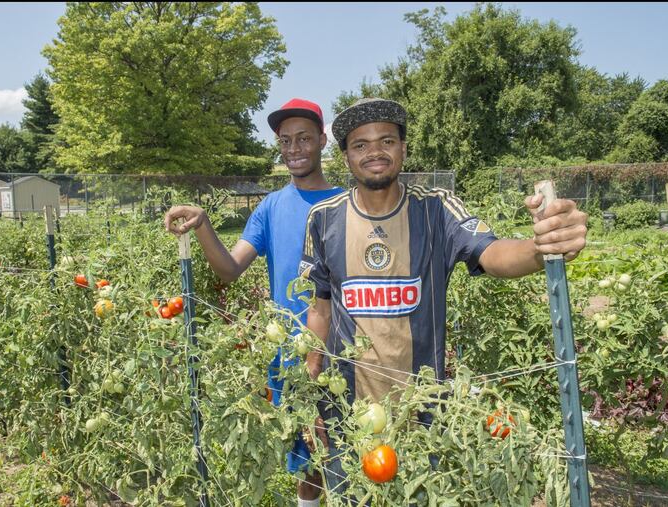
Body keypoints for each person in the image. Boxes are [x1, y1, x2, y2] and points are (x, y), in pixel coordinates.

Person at [300, 98, 588, 499]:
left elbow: (492, 253)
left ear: (403, 149)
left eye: (387, 140)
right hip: (345, 410)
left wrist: (541, 249)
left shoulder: (436, 210)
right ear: (346, 157)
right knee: (350, 497)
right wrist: (308, 390)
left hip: (422, 413)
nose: (375, 152)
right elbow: (320, 309)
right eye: (360, 145)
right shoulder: (324, 218)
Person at [164, 98, 343, 507]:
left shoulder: (346, 203)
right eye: (285, 141)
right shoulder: (271, 206)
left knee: (349, 444)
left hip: (345, 347)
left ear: (322, 140)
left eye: (303, 138)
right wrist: (205, 224)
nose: (294, 148)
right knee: (306, 449)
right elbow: (229, 268)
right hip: (290, 350)